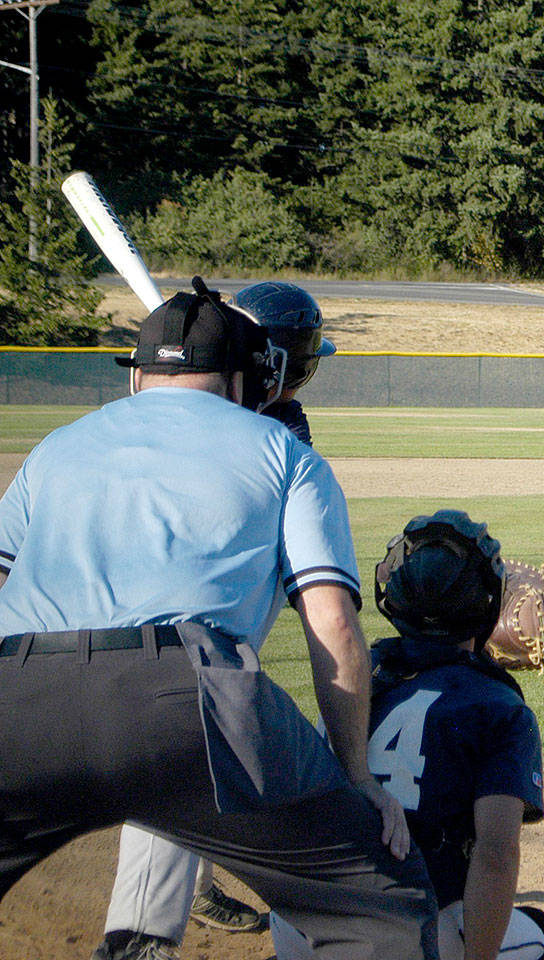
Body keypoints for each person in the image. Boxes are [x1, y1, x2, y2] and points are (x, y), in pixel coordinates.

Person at [0, 279, 439, 960]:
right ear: (243, 376)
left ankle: (143, 929)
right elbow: (333, 626)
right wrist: (356, 779)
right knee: (384, 907)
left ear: (137, 374)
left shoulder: (56, 445)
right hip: (184, 691)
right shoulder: (285, 454)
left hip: (15, 694)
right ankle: (140, 939)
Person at [96, 281, 339, 960]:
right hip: (172, 625)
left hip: (213, 621)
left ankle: (185, 881)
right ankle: (138, 933)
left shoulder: (280, 426)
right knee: (182, 745)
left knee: (199, 749)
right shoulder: (241, 417)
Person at [271, 510, 544, 960]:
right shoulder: (501, 709)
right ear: (486, 605)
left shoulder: (356, 675)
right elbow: (497, 854)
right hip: (406, 933)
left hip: (304, 921)